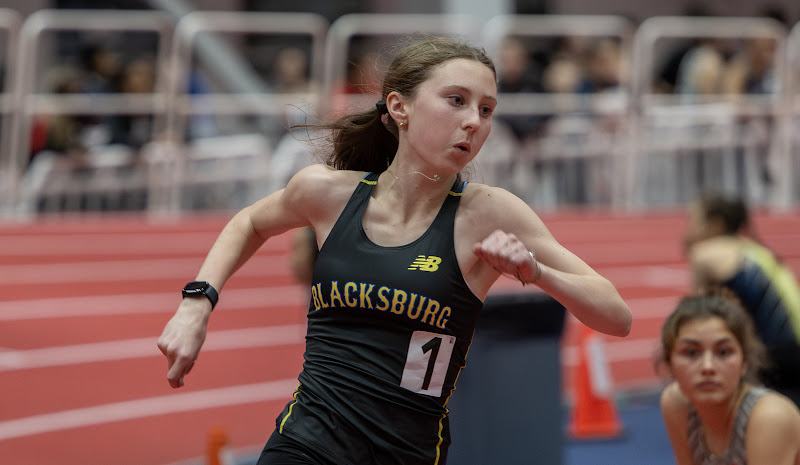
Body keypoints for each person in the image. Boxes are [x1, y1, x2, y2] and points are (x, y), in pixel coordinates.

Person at [157, 34, 632, 465]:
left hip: (407, 453)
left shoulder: (488, 213)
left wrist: (536, 272)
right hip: (308, 441)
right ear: (399, 108)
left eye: (486, 109)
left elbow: (617, 316)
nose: (473, 121)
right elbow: (249, 223)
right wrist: (196, 304)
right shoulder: (328, 193)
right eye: (456, 101)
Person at [658, 289, 800, 465]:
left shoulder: (771, 417)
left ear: (744, 361)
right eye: (692, 352)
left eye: (723, 352)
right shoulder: (676, 405)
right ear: (669, 363)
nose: (707, 367)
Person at [684, 192, 800, 407]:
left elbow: (698, 318)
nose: (687, 230)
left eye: (693, 221)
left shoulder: (705, 253)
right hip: (792, 350)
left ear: (715, 225)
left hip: (777, 358)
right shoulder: (755, 250)